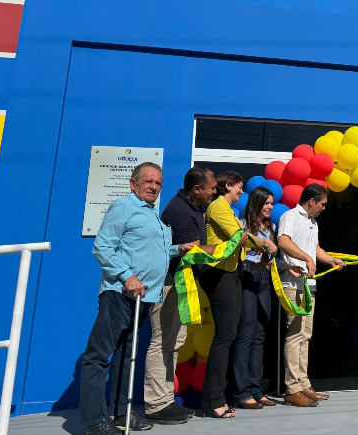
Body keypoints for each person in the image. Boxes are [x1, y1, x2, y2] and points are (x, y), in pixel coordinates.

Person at [81, 162, 195, 435]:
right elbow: (103, 246)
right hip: (121, 294)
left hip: (144, 298)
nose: (153, 186)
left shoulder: (153, 215)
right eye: (148, 181)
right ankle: (95, 421)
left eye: (158, 183)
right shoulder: (124, 207)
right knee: (98, 357)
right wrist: (127, 276)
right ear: (133, 184)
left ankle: (122, 415)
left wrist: (179, 248)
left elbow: (154, 253)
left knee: (125, 359)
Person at [199, 171, 278, 419]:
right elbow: (240, 237)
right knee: (229, 337)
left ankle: (219, 397)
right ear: (227, 186)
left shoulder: (227, 209)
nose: (241, 191)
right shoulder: (219, 207)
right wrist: (264, 244)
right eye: (238, 187)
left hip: (231, 272)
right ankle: (219, 399)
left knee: (233, 336)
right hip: (220, 272)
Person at [143, 167, 216, 425]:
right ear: (197, 190)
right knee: (163, 341)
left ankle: (165, 401)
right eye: (211, 188)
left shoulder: (192, 208)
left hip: (180, 284)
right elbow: (191, 252)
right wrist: (223, 249)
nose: (214, 192)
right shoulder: (182, 211)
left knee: (175, 341)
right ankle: (155, 404)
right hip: (169, 284)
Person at [277, 184, 346, 407]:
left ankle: (304, 384)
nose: (324, 208)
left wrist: (330, 259)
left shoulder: (313, 222)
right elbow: (283, 242)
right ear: (312, 201)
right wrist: (306, 259)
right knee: (295, 333)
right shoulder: (290, 216)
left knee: (306, 334)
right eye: (323, 204)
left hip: (308, 284)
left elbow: (314, 247)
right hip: (292, 283)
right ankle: (292, 388)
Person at [232, 186, 285, 409]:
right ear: (256, 203)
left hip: (264, 282)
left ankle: (256, 389)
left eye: (272, 203)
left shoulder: (271, 227)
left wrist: (284, 266)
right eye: (266, 203)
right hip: (247, 279)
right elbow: (235, 258)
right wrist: (257, 263)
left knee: (260, 335)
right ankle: (241, 392)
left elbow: (276, 258)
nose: (270, 207)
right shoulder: (243, 226)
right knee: (246, 335)